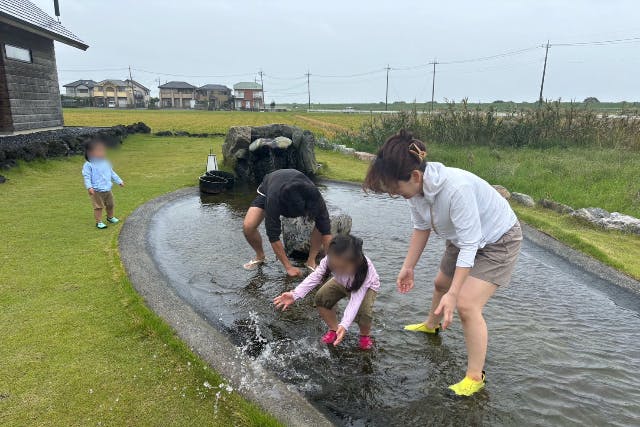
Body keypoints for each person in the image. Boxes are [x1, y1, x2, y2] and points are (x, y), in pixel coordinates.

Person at [362, 130, 522, 396]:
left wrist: (455, 293)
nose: (395, 195)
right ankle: (431, 325)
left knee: (466, 305)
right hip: (462, 237)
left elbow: (472, 244)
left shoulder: (456, 189)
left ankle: (474, 376)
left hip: (497, 240)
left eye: (396, 189)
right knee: (440, 283)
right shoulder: (415, 192)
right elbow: (421, 226)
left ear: (415, 176)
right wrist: (408, 266)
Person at [273, 234, 380, 350]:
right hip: (340, 282)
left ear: (357, 262)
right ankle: (334, 330)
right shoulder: (329, 261)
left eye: (343, 267)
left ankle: (364, 336)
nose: (338, 270)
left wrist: (344, 324)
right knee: (321, 298)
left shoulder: (364, 270)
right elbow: (315, 277)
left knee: (363, 312)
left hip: (365, 286)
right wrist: (295, 294)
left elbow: (355, 301)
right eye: (335, 267)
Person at [242, 168, 332, 277]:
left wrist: (332, 265)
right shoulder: (274, 199)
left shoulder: (315, 197)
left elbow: (326, 232)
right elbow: (273, 235)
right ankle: (260, 256)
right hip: (271, 185)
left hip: (301, 188)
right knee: (248, 226)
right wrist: (288, 267)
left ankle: (311, 261)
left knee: (320, 222)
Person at [81, 139, 124, 229]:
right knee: (98, 207)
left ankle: (110, 217)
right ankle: (99, 222)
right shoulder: (88, 165)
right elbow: (87, 177)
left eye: (103, 150)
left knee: (110, 204)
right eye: (99, 150)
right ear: (90, 153)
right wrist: (89, 187)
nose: (103, 152)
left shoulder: (106, 162)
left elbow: (112, 173)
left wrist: (119, 181)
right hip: (96, 190)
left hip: (107, 189)